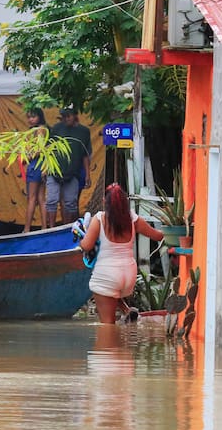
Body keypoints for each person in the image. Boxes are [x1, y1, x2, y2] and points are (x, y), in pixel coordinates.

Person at [79, 183, 164, 324]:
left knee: (107, 327)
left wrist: (80, 236)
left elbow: (86, 246)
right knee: (112, 292)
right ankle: (126, 310)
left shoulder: (99, 219)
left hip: (107, 275)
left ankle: (114, 335)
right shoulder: (133, 219)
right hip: (128, 276)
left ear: (104, 202)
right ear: (124, 203)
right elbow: (158, 236)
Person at [46, 108, 91, 226]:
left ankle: (67, 227)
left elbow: (85, 155)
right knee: (51, 200)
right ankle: (51, 228)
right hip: (54, 170)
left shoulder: (84, 132)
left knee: (71, 202)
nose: (66, 119)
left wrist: (87, 174)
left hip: (73, 172)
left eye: (68, 116)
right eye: (64, 116)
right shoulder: (56, 128)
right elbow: (48, 149)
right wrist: (45, 168)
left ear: (75, 115)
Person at [23, 107, 50, 233]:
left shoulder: (40, 130)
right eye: (28, 117)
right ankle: (44, 227)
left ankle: (27, 229)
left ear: (40, 116)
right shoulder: (44, 129)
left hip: (35, 165)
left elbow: (39, 150)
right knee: (41, 198)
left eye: (33, 117)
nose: (30, 119)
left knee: (32, 198)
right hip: (43, 165)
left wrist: (27, 157)